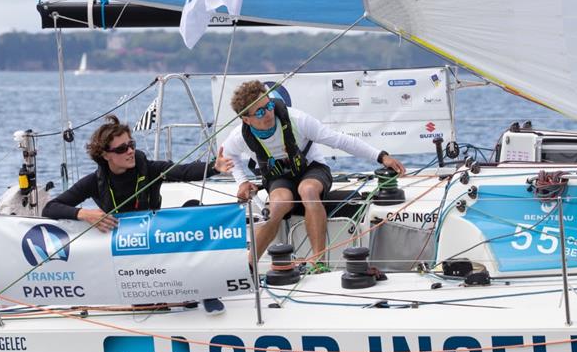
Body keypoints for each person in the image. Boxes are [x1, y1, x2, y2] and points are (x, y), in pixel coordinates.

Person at [42, 114, 234, 314]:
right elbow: (50, 208)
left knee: (194, 206)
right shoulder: (93, 182)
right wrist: (84, 214)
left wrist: (214, 167)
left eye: (131, 144)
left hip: (155, 240)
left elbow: (183, 171)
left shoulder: (149, 169)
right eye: (122, 149)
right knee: (152, 311)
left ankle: (205, 288)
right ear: (106, 155)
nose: (130, 151)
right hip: (126, 253)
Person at [221, 80, 406, 273]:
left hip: (312, 170)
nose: (267, 114)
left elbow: (340, 140)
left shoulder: (297, 120)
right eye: (259, 112)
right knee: (276, 206)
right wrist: (242, 182)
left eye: (268, 106)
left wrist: (381, 156)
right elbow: (227, 154)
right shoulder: (238, 136)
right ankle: (248, 268)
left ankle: (318, 262)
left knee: (307, 190)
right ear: (246, 119)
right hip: (280, 179)